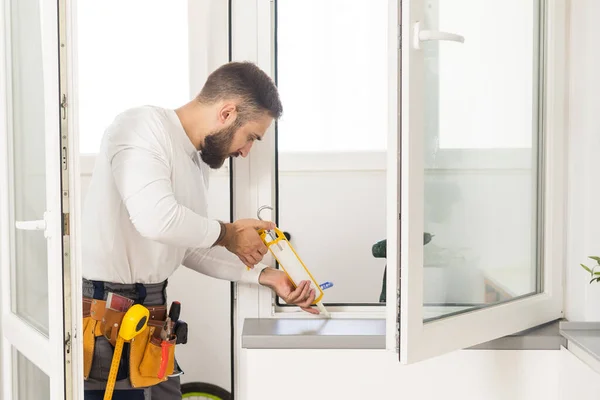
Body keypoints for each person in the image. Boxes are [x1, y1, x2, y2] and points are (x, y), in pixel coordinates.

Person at [81, 61, 319, 400]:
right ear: (227, 113)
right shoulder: (140, 127)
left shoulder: (194, 161)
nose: (245, 151)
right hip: (108, 317)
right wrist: (229, 233)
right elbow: (156, 219)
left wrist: (267, 276)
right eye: (250, 136)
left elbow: (186, 245)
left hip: (151, 319)